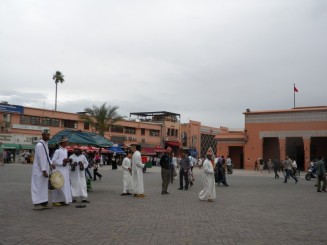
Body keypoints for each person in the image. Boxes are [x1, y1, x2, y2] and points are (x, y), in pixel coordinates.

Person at [31, 128, 54, 210]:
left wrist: (51, 163)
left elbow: (46, 157)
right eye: (47, 135)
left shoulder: (45, 144)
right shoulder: (39, 145)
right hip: (39, 170)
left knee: (44, 187)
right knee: (38, 186)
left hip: (44, 169)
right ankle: (36, 204)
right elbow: (40, 158)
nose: (48, 136)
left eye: (49, 135)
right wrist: (43, 170)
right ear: (43, 135)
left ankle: (44, 203)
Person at [51, 136, 72, 206]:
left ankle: (63, 199)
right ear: (62, 143)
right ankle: (56, 200)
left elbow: (65, 160)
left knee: (65, 185)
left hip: (65, 170)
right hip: (59, 170)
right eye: (66, 142)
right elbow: (53, 161)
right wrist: (62, 161)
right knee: (58, 185)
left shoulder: (66, 150)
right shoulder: (57, 151)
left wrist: (68, 161)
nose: (67, 143)